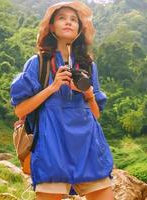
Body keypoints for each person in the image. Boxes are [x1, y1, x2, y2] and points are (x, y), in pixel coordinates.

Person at [10, 1, 114, 200]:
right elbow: (20, 110)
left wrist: (88, 93)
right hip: (51, 145)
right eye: (62, 18)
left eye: (73, 19)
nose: (68, 22)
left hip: (87, 144)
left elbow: (95, 115)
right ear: (51, 27)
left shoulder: (88, 65)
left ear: (79, 29)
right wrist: (53, 87)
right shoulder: (38, 63)